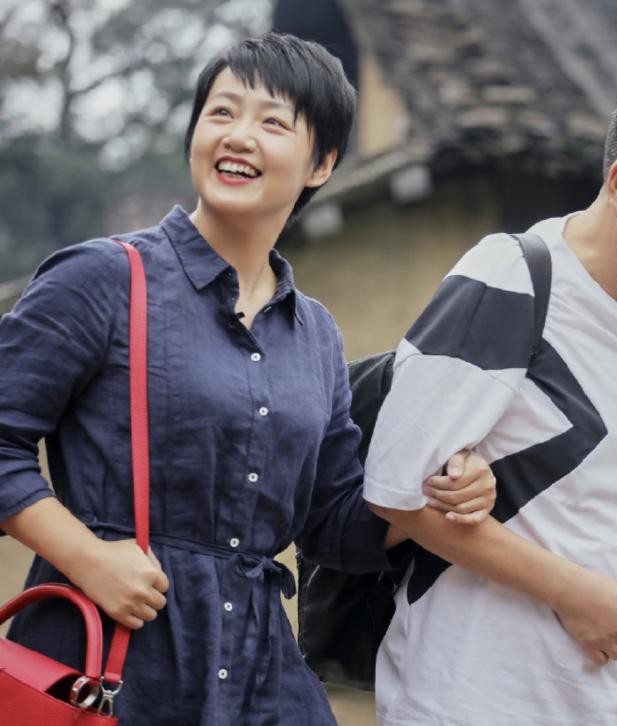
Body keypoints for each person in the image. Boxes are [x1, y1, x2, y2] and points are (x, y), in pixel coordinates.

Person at [0, 33, 497, 725]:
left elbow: (335, 523)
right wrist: (88, 557)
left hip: (261, 675)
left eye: (272, 122)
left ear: (322, 163)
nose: (238, 136)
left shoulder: (315, 334)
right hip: (114, 667)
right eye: (221, 113)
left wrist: (444, 485)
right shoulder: (104, 279)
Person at [364, 54, 617, 725]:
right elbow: (395, 489)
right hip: (476, 699)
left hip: (616, 701)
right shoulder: (511, 278)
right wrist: (573, 593)